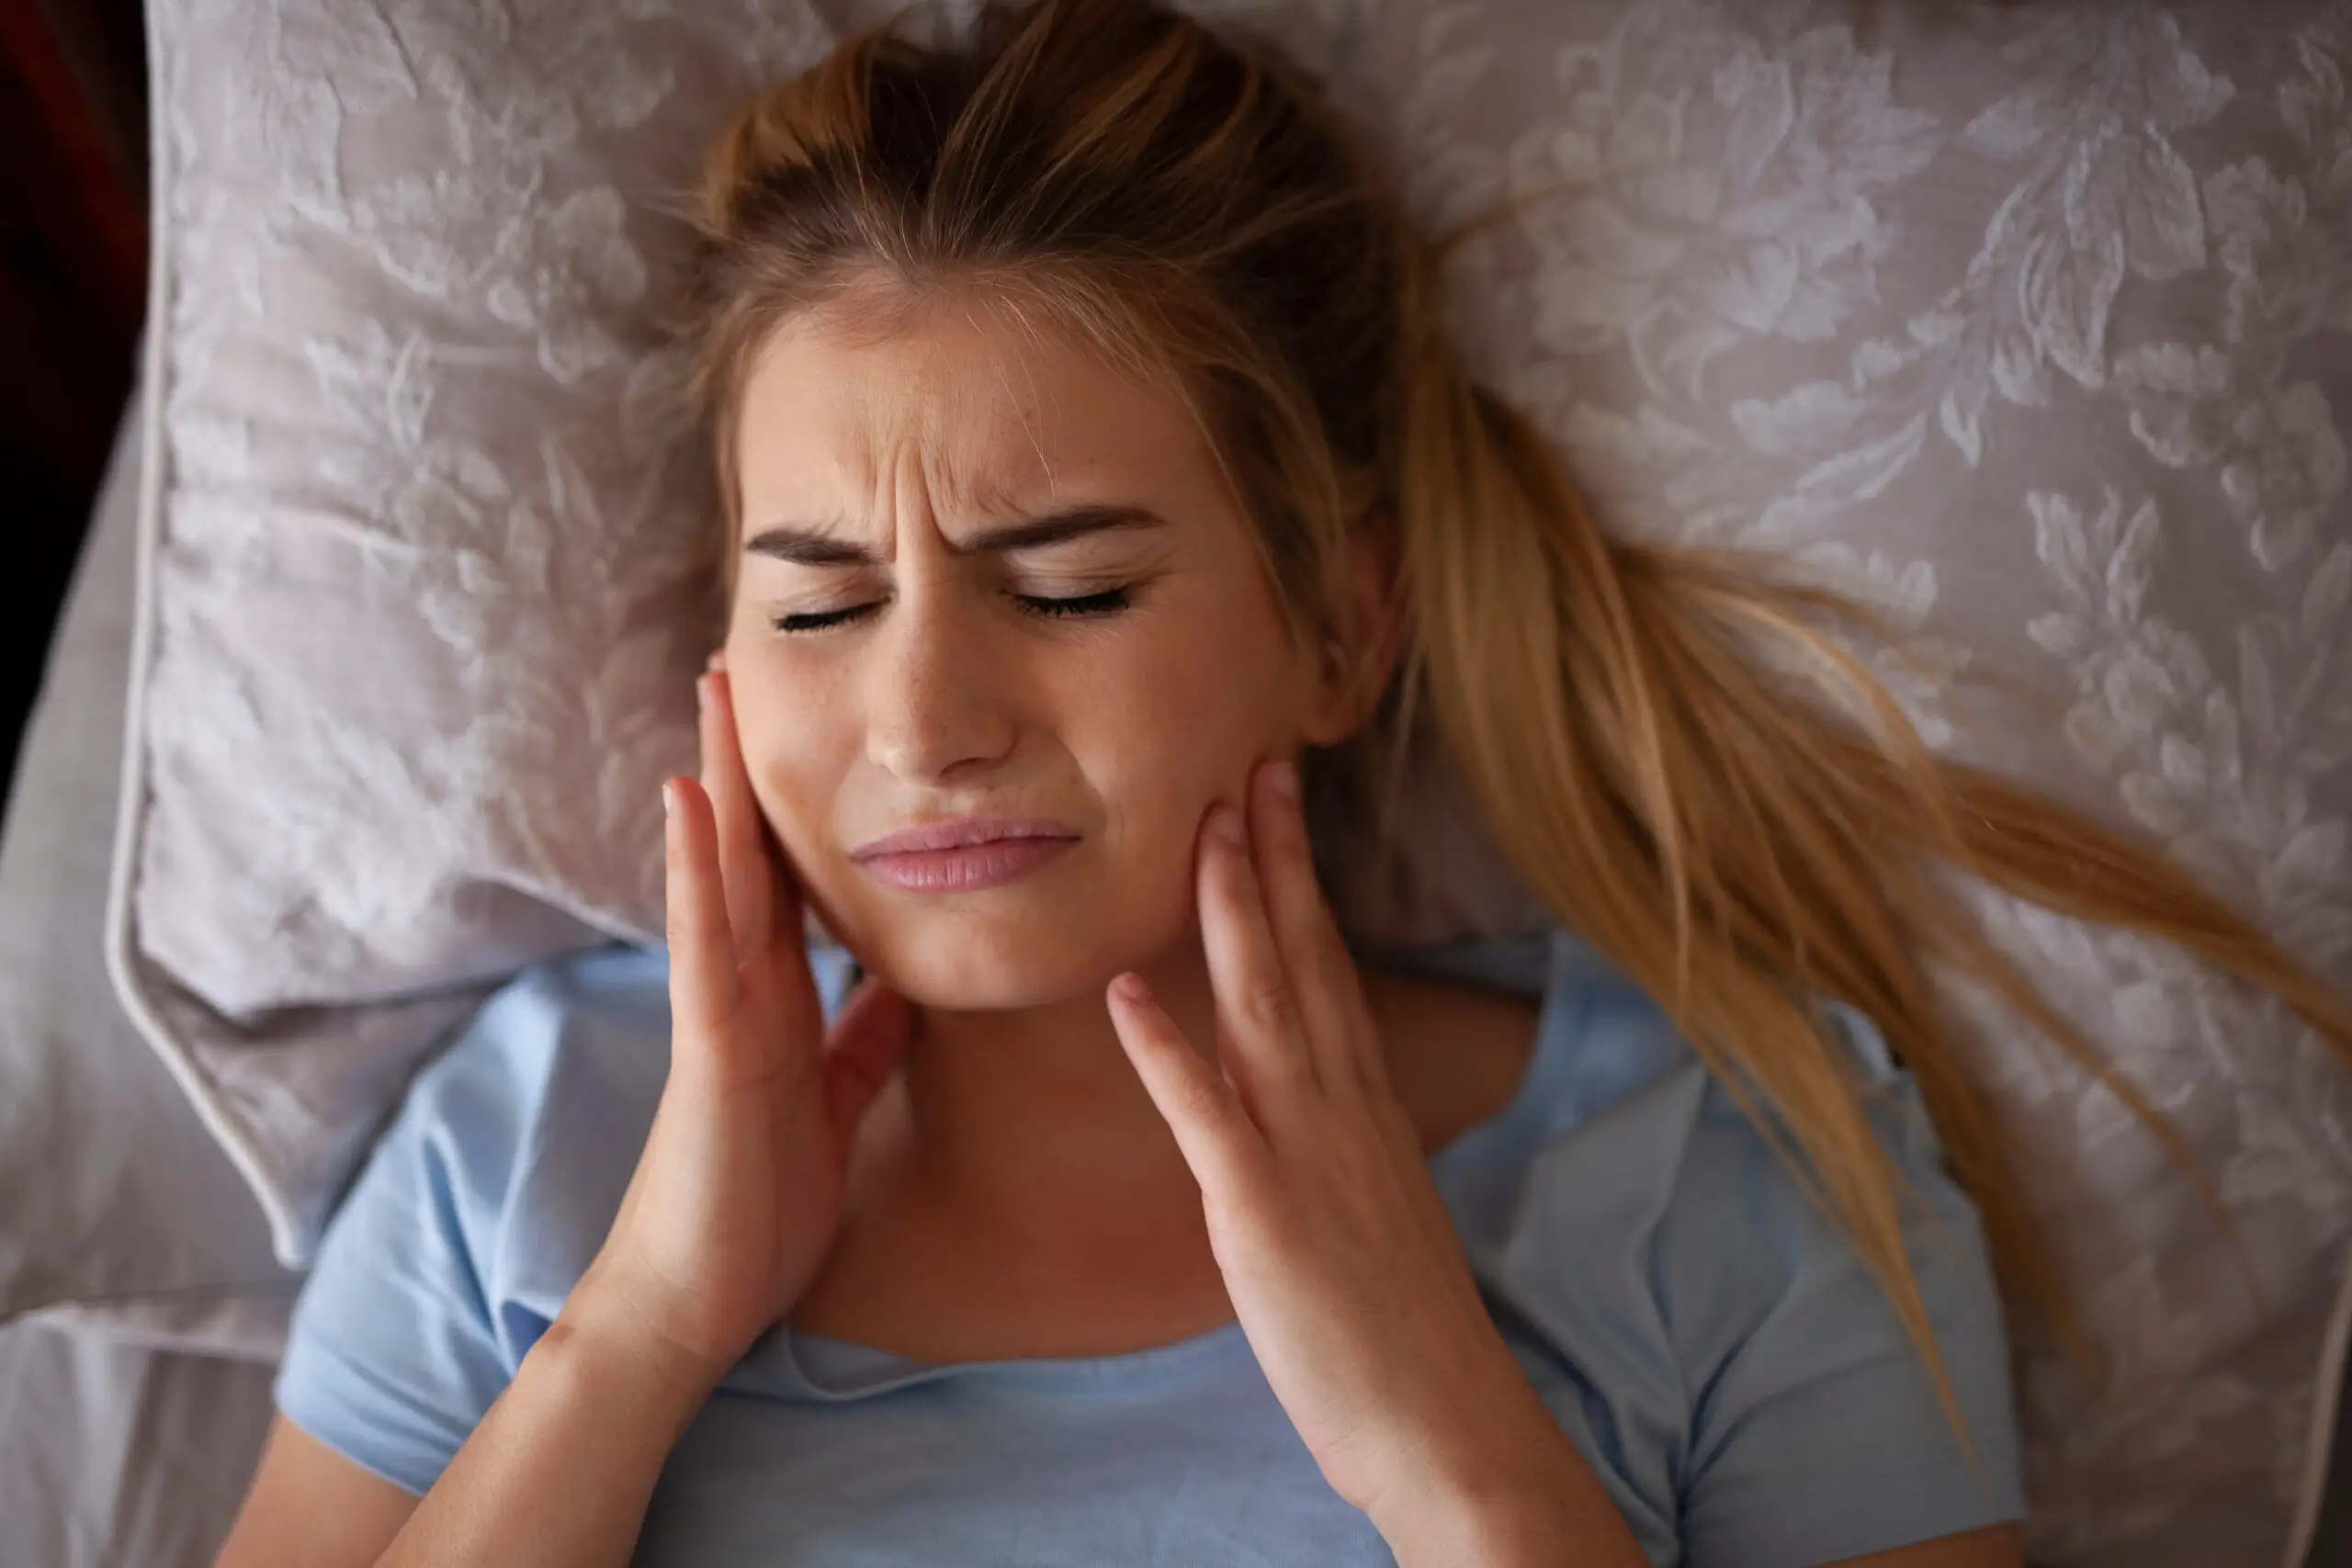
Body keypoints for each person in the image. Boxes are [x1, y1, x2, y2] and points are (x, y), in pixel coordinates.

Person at [211, 1, 2352, 1564]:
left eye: (1065, 584)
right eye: (818, 598)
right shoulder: (529, 1154)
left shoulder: (1719, 1182)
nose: (925, 715)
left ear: (1340, 627)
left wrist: (1447, 1439)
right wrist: (640, 1331)